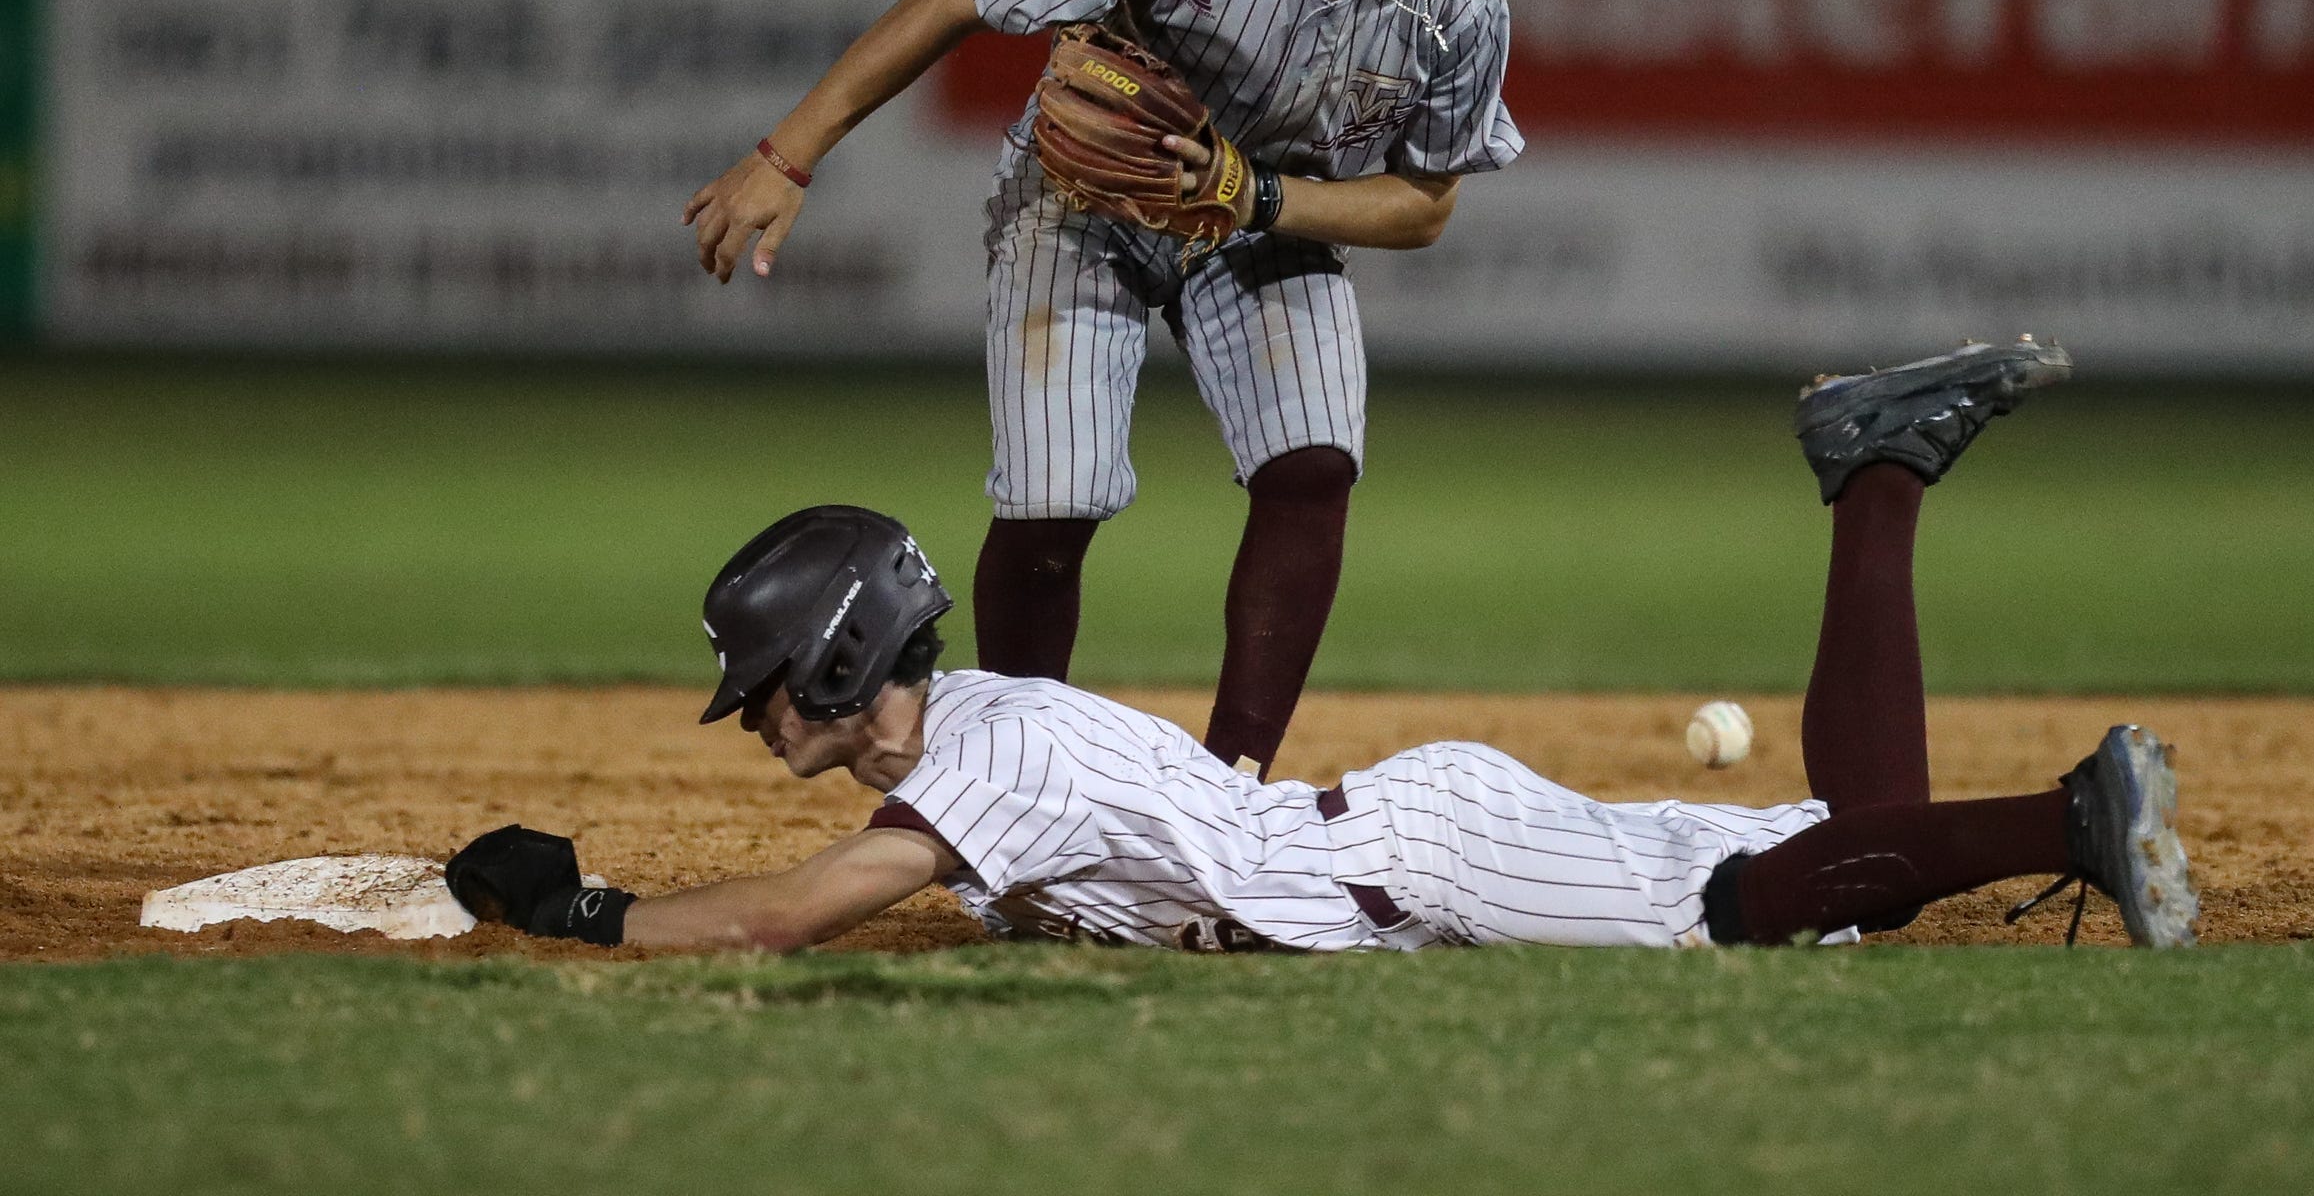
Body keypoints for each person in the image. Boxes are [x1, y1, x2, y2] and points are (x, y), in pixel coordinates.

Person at [445, 339, 2201, 955]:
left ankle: (2074, 817)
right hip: (1400, 850)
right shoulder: (955, 734)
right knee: (1836, 848)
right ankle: (1878, 469)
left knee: (1785, 901)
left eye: (763, 688)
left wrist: (583, 910)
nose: (749, 719)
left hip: (1424, 863)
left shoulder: (977, 757)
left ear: (837, 668)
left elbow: (786, 912)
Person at [679, 0, 1582, 780]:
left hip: (1260, 216)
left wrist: (1252, 196)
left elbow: (1423, 205)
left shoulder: (1464, 3)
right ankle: (1013, 781)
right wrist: (786, 157)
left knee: (1313, 462)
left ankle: (1231, 786)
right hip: (1080, 206)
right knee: (1054, 500)